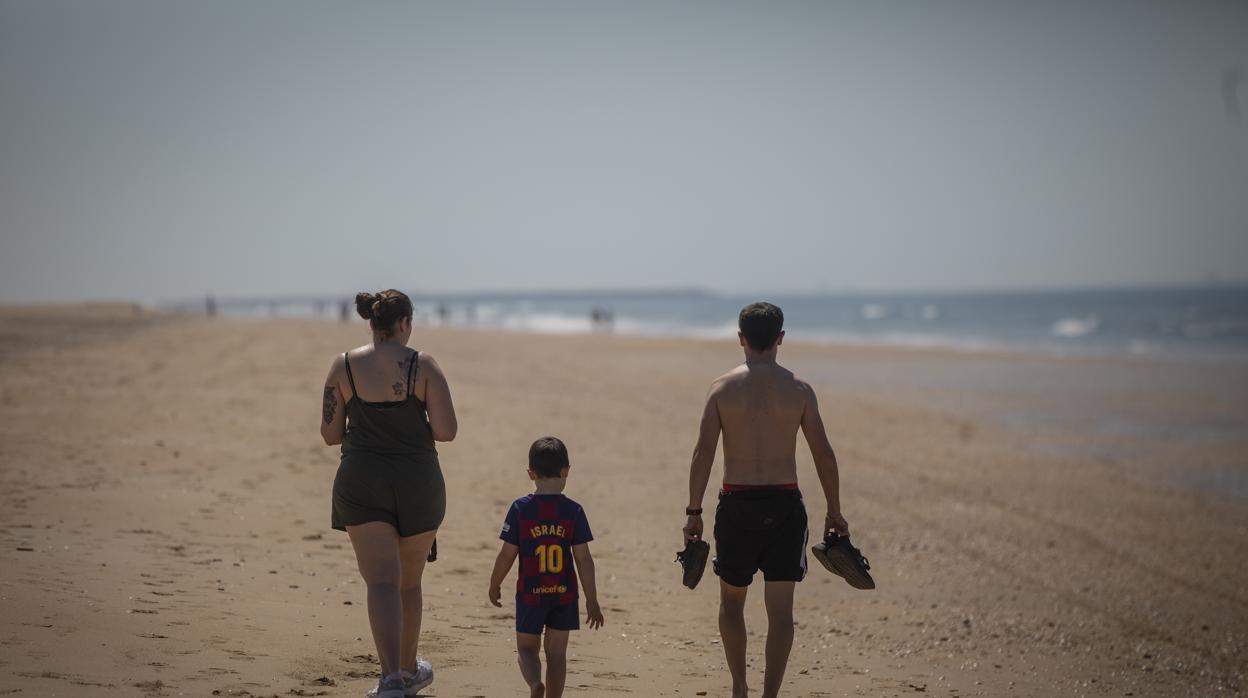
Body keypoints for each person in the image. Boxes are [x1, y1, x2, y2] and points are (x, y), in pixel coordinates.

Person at [682, 302, 851, 698]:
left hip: (737, 505)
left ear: (741, 339)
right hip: (785, 507)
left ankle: (739, 687)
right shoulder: (799, 390)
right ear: (780, 339)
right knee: (781, 612)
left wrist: (694, 512)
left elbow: (702, 452)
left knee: (731, 604)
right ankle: (769, 695)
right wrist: (835, 511)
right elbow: (823, 453)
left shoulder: (722, 389)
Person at [320, 289, 458, 698]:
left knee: (380, 581)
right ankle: (408, 670)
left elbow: (329, 434)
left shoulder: (344, 365)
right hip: (418, 482)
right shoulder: (423, 365)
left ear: (371, 325)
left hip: (362, 481)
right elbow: (447, 431)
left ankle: (391, 680)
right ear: (404, 324)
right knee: (409, 583)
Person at [488, 437, 605, 698]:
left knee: (527, 649)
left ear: (531, 473)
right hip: (564, 594)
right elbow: (584, 559)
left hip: (531, 593)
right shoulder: (573, 511)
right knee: (557, 654)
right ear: (566, 471)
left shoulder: (521, 509)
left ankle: (533, 684)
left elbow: (507, 554)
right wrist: (592, 599)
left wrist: (495, 583)